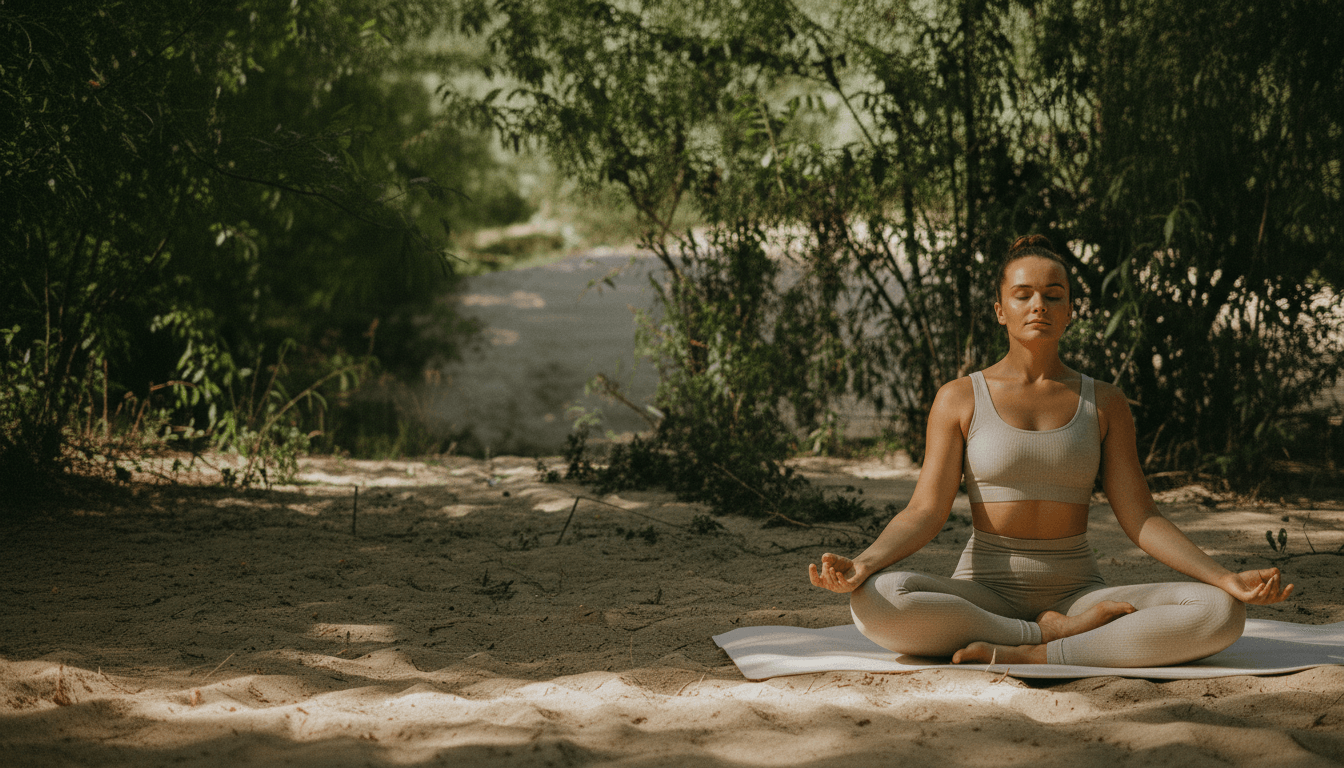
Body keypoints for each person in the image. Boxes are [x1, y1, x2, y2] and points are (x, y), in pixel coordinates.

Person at [808, 235, 1293, 667]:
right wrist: (865, 563)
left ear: (1069, 310)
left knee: (1220, 612)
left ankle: (1039, 652)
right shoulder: (959, 397)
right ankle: (1044, 635)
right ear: (1000, 309)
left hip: (1079, 592)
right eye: (1022, 295)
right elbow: (925, 511)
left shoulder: (1104, 401)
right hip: (984, 591)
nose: (1038, 305)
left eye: (1053, 296)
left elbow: (1142, 517)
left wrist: (1224, 576)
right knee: (876, 599)